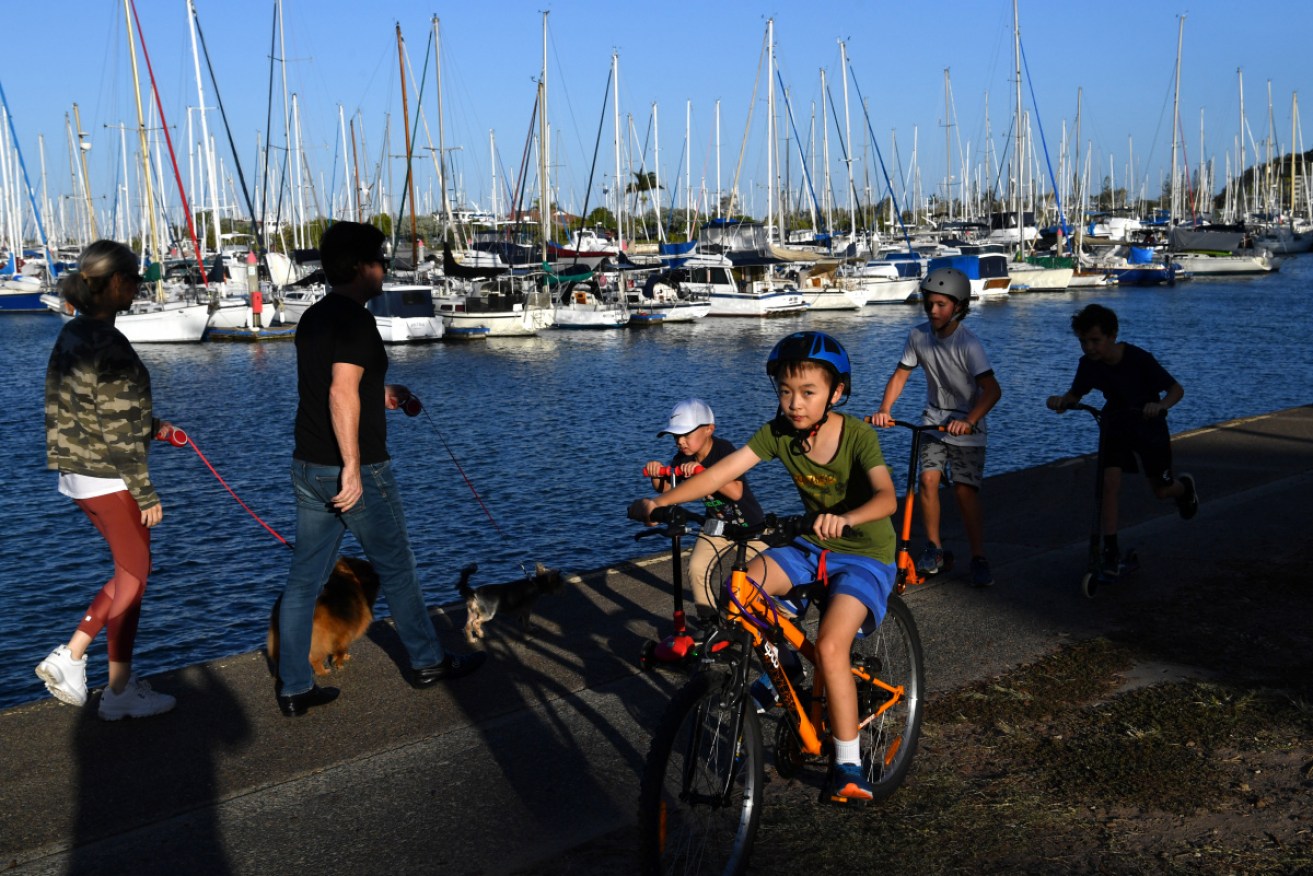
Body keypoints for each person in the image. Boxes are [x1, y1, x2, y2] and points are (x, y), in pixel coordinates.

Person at [629, 331, 899, 804]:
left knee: (833, 646)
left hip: (863, 552)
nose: (794, 403)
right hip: (810, 545)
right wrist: (660, 500)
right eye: (785, 391)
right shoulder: (778, 433)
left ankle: (848, 764)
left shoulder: (857, 435)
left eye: (808, 392)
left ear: (837, 393)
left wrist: (847, 517)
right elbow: (719, 473)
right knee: (742, 591)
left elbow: (885, 497)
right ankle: (785, 668)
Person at [277, 221, 484, 717]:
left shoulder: (314, 318)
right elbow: (339, 392)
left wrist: (383, 396)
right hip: (357, 471)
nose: (385, 269)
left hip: (308, 466)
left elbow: (342, 386)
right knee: (399, 568)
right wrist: (352, 467)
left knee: (305, 579)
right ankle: (427, 661)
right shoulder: (355, 321)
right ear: (359, 267)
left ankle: (293, 686)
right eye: (380, 260)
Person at [37, 239, 178, 721]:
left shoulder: (73, 333)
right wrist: (144, 489)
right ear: (116, 283)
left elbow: (83, 407)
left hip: (77, 472)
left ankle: (89, 666)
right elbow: (116, 424)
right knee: (135, 576)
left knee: (128, 571)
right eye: (136, 278)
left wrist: (155, 427)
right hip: (110, 477)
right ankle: (103, 680)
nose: (139, 286)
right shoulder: (110, 342)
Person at [868, 266, 1002, 588]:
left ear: (958, 306)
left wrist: (969, 420)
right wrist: (885, 410)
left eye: (941, 304)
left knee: (964, 492)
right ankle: (935, 549)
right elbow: (900, 375)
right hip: (933, 420)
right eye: (929, 303)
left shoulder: (968, 344)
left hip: (967, 425)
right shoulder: (917, 336)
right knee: (927, 481)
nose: (933, 310)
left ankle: (979, 556)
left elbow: (992, 390)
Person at [1046, 303, 1198, 576]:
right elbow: (1075, 394)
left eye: (1095, 340)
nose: (1089, 348)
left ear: (1112, 335)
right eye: (1083, 341)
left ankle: (1183, 489)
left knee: (1161, 490)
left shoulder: (1139, 359)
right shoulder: (1088, 365)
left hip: (1147, 425)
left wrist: (1161, 405)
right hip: (1115, 423)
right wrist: (1061, 401)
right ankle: (1111, 550)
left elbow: (1176, 389)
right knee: (1108, 484)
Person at [642, 398, 767, 610]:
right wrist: (656, 473)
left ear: (709, 429)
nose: (680, 441)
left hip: (750, 526)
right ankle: (709, 620)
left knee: (756, 581)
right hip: (716, 525)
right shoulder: (682, 459)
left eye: (686, 435)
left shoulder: (723, 450)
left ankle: (777, 618)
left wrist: (703, 472)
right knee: (697, 568)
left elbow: (736, 492)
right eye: (676, 436)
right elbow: (668, 492)